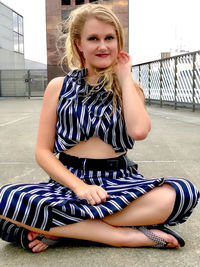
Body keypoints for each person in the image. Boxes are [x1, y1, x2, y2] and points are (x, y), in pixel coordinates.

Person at [0, 3, 199, 253]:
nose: (103, 46)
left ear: (119, 41)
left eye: (109, 38)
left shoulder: (130, 88)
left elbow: (139, 131)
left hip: (118, 184)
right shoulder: (58, 87)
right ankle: (121, 237)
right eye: (93, 38)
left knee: (182, 193)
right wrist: (80, 188)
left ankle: (61, 229)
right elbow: (42, 151)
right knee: (4, 198)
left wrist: (125, 77)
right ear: (79, 44)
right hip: (67, 183)